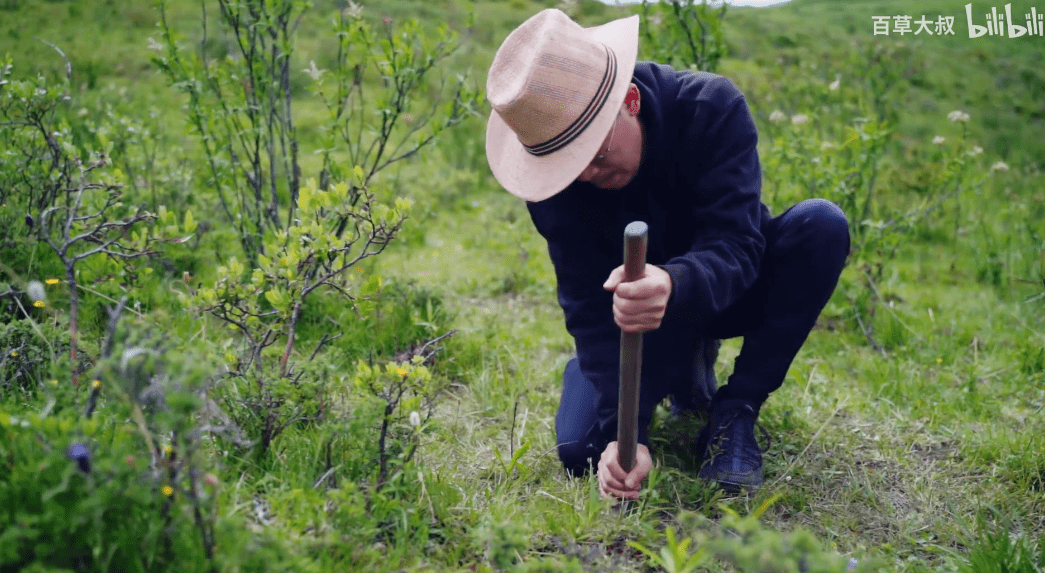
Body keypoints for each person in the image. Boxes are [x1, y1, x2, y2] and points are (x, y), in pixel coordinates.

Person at [484, 9, 849, 498]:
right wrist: (622, 436)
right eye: (568, 166)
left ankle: (734, 410)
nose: (586, 174)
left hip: (725, 291)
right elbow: (587, 305)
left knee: (821, 225)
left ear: (629, 100)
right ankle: (678, 365)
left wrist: (675, 285)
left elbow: (739, 245)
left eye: (594, 151)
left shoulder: (710, 108)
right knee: (580, 451)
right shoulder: (554, 186)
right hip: (629, 326)